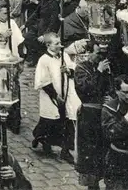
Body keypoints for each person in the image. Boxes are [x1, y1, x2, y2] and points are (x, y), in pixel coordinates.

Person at [32, 32, 81, 164]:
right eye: (56, 43)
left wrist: (68, 71)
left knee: (66, 121)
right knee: (50, 121)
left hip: (65, 93)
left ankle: (65, 150)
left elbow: (72, 69)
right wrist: (55, 96)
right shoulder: (44, 60)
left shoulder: (64, 56)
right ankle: (42, 139)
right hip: (51, 94)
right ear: (48, 45)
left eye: (60, 42)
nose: (60, 45)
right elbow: (43, 81)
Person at [75, 40, 114, 190]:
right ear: (90, 52)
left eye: (103, 54)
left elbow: (111, 87)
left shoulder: (107, 67)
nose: (101, 57)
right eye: (98, 53)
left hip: (104, 115)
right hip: (89, 117)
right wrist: (98, 71)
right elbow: (85, 90)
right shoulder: (81, 68)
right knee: (90, 154)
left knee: (105, 152)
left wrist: (112, 97)